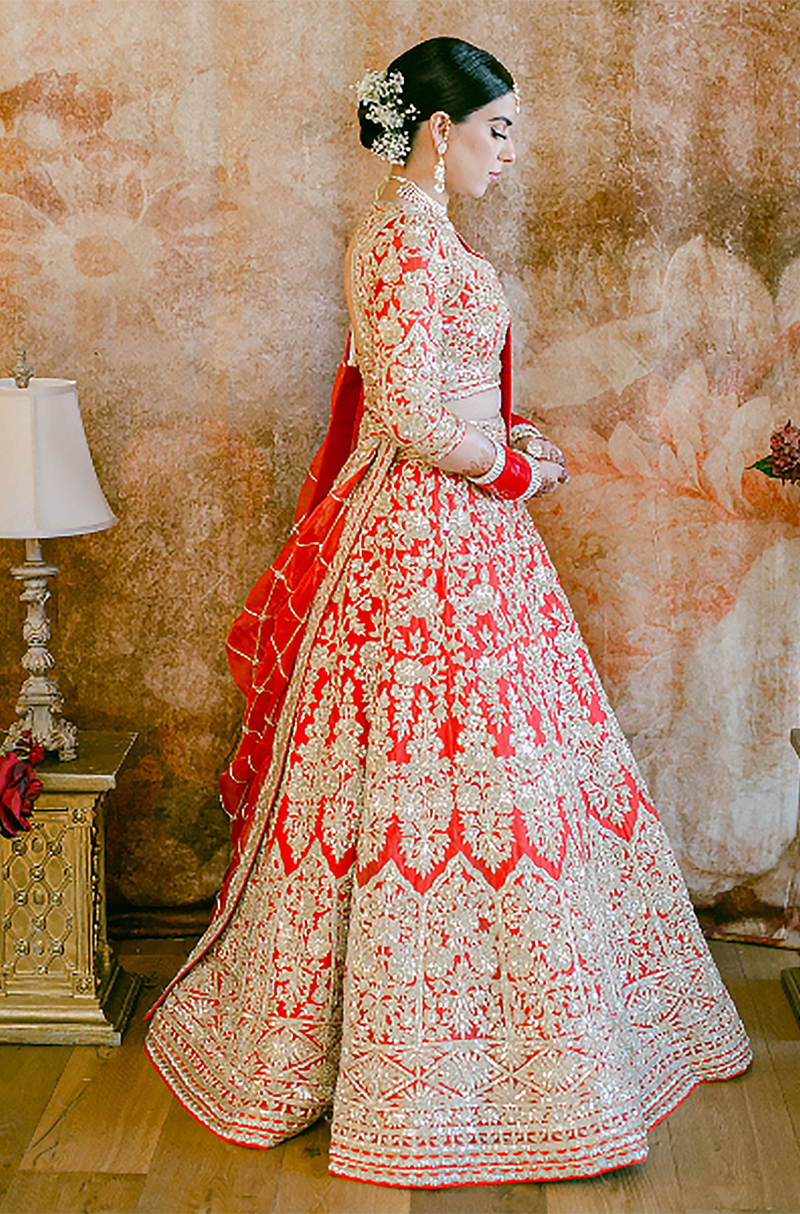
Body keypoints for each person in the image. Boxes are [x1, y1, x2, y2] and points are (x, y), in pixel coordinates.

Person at [145, 37, 751, 1188]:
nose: (509, 156)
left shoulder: (423, 235)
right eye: (497, 131)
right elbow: (415, 417)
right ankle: (424, 1066)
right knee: (428, 787)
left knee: (513, 779)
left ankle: (541, 1053)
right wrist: (513, 467)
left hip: (467, 534)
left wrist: (509, 443)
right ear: (438, 127)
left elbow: (452, 397)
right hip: (422, 540)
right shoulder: (396, 241)